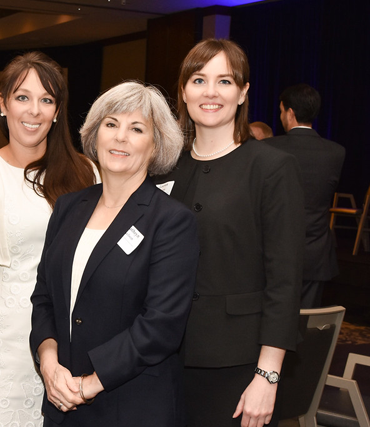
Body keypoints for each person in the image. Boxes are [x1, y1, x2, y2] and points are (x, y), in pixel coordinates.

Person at [30, 81, 199, 427]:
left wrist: (89, 384)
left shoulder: (171, 220)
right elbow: (43, 298)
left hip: (131, 406)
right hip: (62, 400)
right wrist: (49, 364)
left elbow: (161, 326)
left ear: (155, 146)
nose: (120, 137)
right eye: (111, 124)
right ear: (95, 135)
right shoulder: (68, 207)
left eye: (137, 129)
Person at [154, 39, 305, 427]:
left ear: (243, 92)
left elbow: (285, 281)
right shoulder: (165, 169)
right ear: (183, 90)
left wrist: (267, 375)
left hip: (238, 364)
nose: (210, 92)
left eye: (224, 81)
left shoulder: (271, 167)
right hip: (162, 355)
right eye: (199, 79)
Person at [0, 52, 97, 427]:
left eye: (46, 100)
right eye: (22, 97)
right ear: (3, 103)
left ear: (58, 111)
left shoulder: (85, 173)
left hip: (64, 339)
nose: (34, 111)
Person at [267, 83, 345, 308]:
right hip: (315, 252)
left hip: (274, 251)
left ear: (290, 112)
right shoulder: (336, 152)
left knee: (272, 321)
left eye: (281, 111)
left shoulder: (268, 148)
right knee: (308, 327)